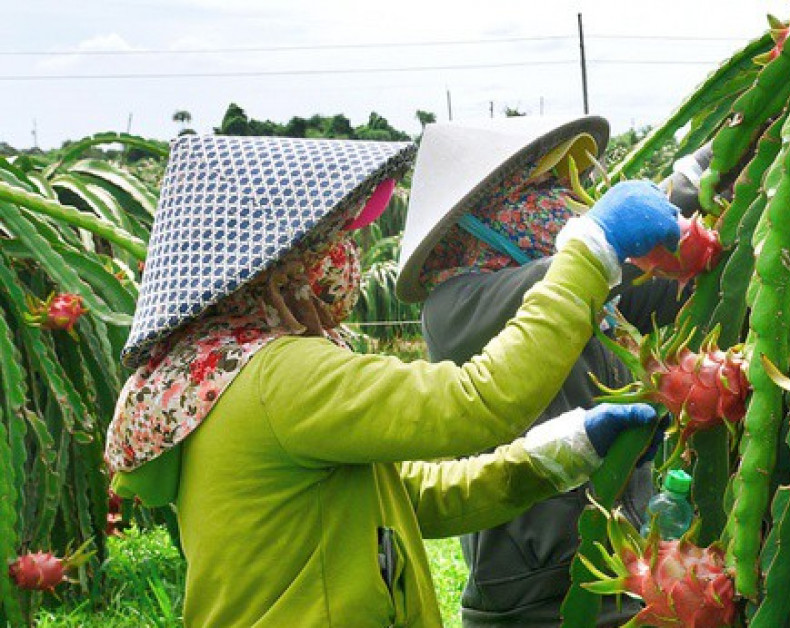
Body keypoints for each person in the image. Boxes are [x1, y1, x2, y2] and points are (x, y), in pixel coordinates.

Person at [103, 133, 681, 627]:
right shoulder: (279, 377)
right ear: (278, 265)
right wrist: (590, 249)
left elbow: (412, 499)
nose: (343, 257)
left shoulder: (215, 381)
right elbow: (475, 403)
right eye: (327, 240)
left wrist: (556, 455)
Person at [396, 116, 712, 627]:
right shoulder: (456, 303)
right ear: (482, 215)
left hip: (624, 559)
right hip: (534, 592)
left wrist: (716, 179)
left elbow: (652, 280)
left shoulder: (587, 282)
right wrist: (680, 188)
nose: (559, 201)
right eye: (538, 189)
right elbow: (575, 268)